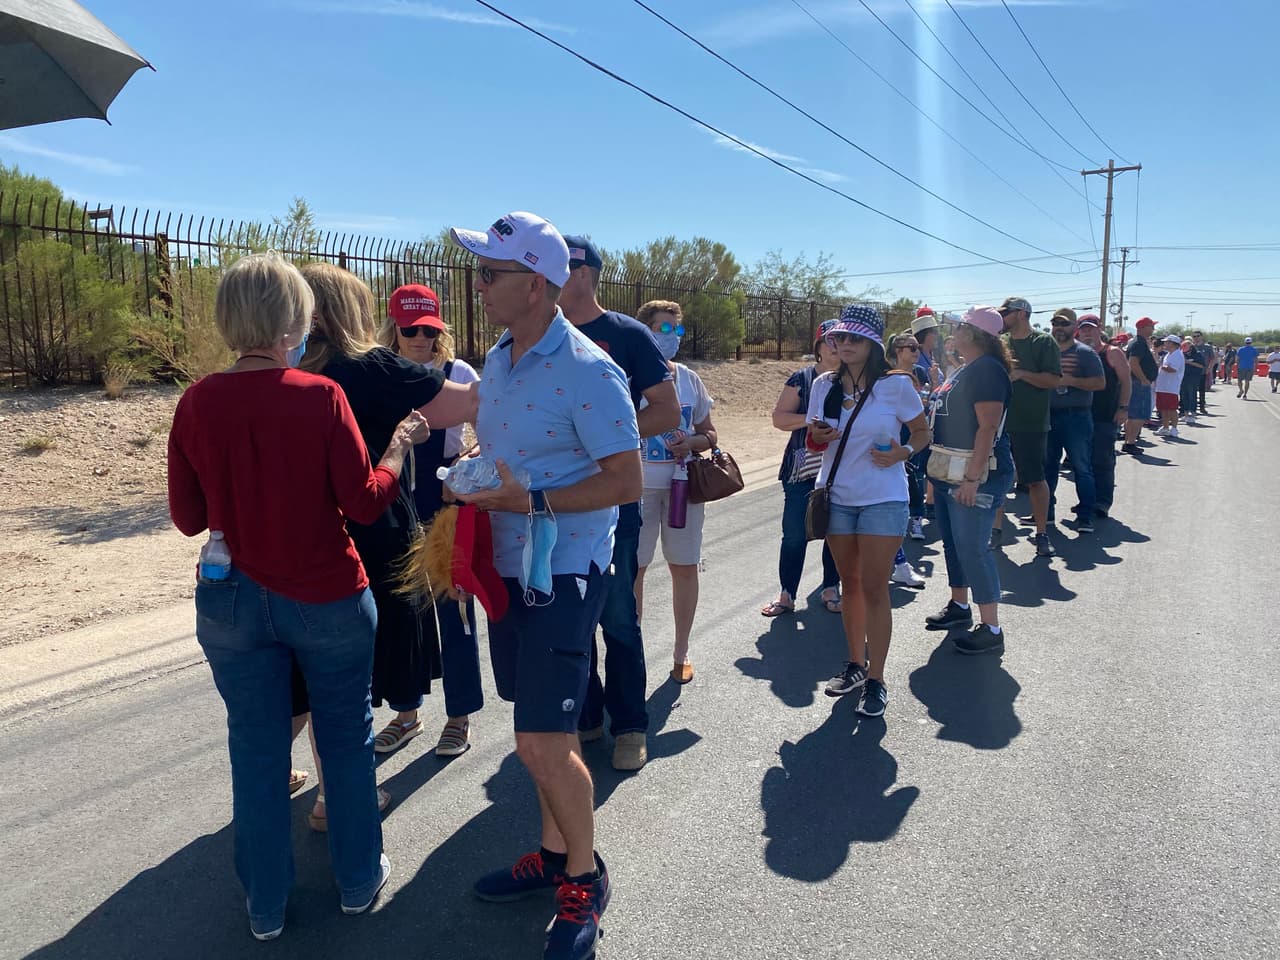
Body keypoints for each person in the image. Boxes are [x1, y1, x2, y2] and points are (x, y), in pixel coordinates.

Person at [167, 253, 437, 939]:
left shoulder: (198, 400)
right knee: (345, 740)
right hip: (325, 594)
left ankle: (264, 906)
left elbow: (189, 516)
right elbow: (366, 502)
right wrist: (398, 447)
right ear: (297, 318)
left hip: (231, 599)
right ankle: (356, 880)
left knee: (255, 750)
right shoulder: (321, 397)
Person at [448, 211, 640, 960]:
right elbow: (507, 449)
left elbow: (624, 481)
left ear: (536, 284)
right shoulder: (498, 355)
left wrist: (527, 500)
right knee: (535, 738)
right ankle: (554, 855)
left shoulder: (590, 369)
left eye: (491, 272)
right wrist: (470, 475)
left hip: (561, 571)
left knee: (543, 742)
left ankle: (583, 882)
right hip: (505, 566)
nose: (479, 283)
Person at [293, 265, 475, 833]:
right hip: (370, 528)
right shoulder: (371, 368)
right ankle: (340, 798)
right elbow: (464, 405)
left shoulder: (285, 369)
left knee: (304, 673)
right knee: (354, 674)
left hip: (297, 539)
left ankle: (278, 774)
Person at [557, 234, 679, 772]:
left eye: (557, 267)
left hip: (614, 503)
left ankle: (630, 725)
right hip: (555, 505)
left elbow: (667, 411)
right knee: (568, 619)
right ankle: (586, 718)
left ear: (583, 272)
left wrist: (608, 443)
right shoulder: (538, 336)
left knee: (618, 618)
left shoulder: (625, 335)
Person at [807, 304, 930, 718]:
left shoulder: (895, 385)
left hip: (883, 498)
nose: (843, 344)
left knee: (876, 588)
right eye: (838, 338)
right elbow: (813, 441)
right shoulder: (824, 385)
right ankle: (856, 665)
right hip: (837, 496)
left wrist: (903, 452)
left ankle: (877, 680)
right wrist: (818, 436)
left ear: (873, 344)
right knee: (850, 585)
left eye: (853, 338)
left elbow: (922, 431)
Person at [378, 283, 484, 757]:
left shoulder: (457, 372)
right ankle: (406, 713)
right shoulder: (379, 371)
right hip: (394, 506)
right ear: (393, 329)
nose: (420, 338)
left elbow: (491, 434)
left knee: (454, 608)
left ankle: (459, 716)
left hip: (446, 506)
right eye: (410, 329)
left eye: (429, 329)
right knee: (404, 613)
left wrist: (467, 461)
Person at [632, 300, 717, 684]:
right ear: (644, 330)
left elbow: (710, 433)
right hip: (635, 489)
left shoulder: (689, 379)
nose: (672, 337)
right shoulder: (624, 376)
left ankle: (681, 651)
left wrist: (693, 441)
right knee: (634, 570)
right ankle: (630, 651)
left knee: (684, 568)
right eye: (663, 328)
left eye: (676, 330)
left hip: (684, 490)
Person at [922, 307, 1015, 655]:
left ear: (974, 334)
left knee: (973, 548)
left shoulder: (987, 370)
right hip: (951, 470)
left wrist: (973, 480)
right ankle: (959, 606)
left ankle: (991, 627)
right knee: (954, 543)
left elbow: (988, 427)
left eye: (959, 326)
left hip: (975, 473)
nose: (952, 330)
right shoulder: (968, 368)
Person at [765, 319, 843, 617]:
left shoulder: (853, 382)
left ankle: (830, 588)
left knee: (836, 532)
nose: (836, 348)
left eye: (842, 341)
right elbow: (779, 418)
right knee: (794, 534)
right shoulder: (802, 378)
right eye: (830, 341)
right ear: (819, 348)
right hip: (801, 470)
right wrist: (810, 419)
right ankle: (787, 595)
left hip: (841, 470)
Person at [998, 296, 1061, 557]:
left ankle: (1041, 531)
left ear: (1022, 313)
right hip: (999, 421)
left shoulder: (1043, 342)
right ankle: (995, 530)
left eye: (1007, 312)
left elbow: (1053, 380)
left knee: (1035, 479)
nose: (1003, 317)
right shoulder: (1001, 343)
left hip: (1031, 422)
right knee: (997, 476)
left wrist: (1022, 374)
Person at [1044, 308, 1105, 533]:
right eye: (1056, 324)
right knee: (1048, 467)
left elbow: (1100, 383)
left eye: (1064, 324)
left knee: (1082, 467)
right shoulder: (1046, 351)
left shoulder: (1085, 353)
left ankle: (1085, 515)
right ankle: (1045, 513)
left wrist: (1070, 380)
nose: (1059, 328)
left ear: (1074, 328)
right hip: (1048, 415)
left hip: (1077, 416)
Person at [1076, 318, 1130, 518]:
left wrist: (1124, 407)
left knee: (1103, 460)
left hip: (1106, 415)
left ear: (1100, 330)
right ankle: (1086, 501)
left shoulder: (1112, 352)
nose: (1087, 333)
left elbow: (1126, 381)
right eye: (1083, 330)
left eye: (1091, 329)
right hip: (1079, 416)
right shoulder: (1077, 353)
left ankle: (1102, 501)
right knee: (1082, 463)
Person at [1121, 317, 1160, 456]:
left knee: (1133, 416)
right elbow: (1133, 362)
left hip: (1136, 383)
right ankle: (1130, 442)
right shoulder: (1138, 343)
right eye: (1151, 326)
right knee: (1139, 415)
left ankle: (1128, 442)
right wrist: (1143, 379)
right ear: (1143, 328)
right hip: (1138, 384)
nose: (1153, 329)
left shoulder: (1139, 343)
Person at [1153, 334, 1185, 437]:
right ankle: (1165, 427)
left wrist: (1160, 366)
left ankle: (1174, 428)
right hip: (1163, 386)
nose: (1165, 344)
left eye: (1167, 342)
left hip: (1171, 387)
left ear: (1173, 344)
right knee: (1163, 408)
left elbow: (1173, 369)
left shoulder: (1177, 355)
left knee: (1171, 409)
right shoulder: (1169, 354)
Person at [1180, 336, 1203, 423]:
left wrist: (1189, 362)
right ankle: (1185, 414)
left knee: (1192, 395)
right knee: (1183, 395)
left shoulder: (1197, 354)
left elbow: (1201, 365)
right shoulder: (1182, 353)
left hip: (1193, 377)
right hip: (1183, 377)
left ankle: (1192, 413)